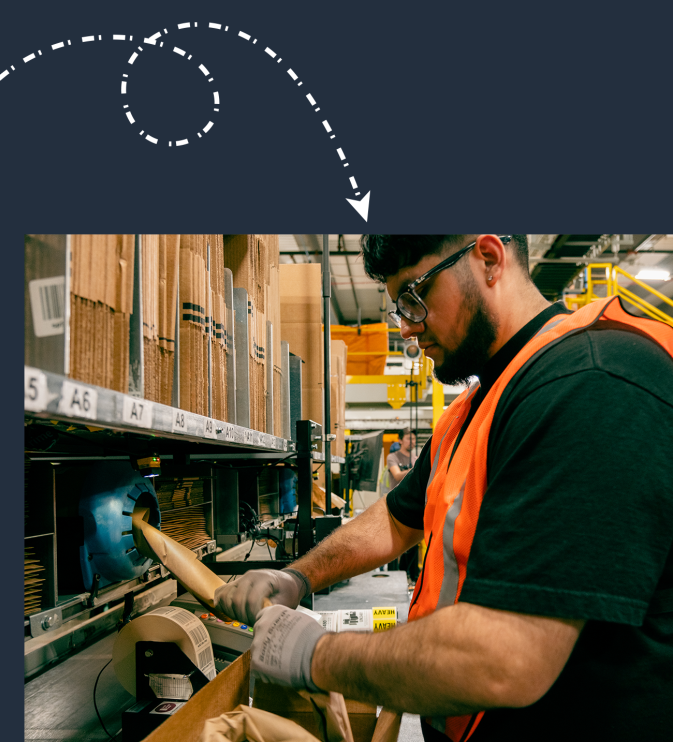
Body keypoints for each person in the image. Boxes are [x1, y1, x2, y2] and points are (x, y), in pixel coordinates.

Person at [214, 235, 672, 740]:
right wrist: (297, 578)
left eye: (414, 296)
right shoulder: (480, 405)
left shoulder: (591, 384)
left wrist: (312, 654)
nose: (407, 328)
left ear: (489, 259)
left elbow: (503, 658)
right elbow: (396, 517)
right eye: (397, 307)